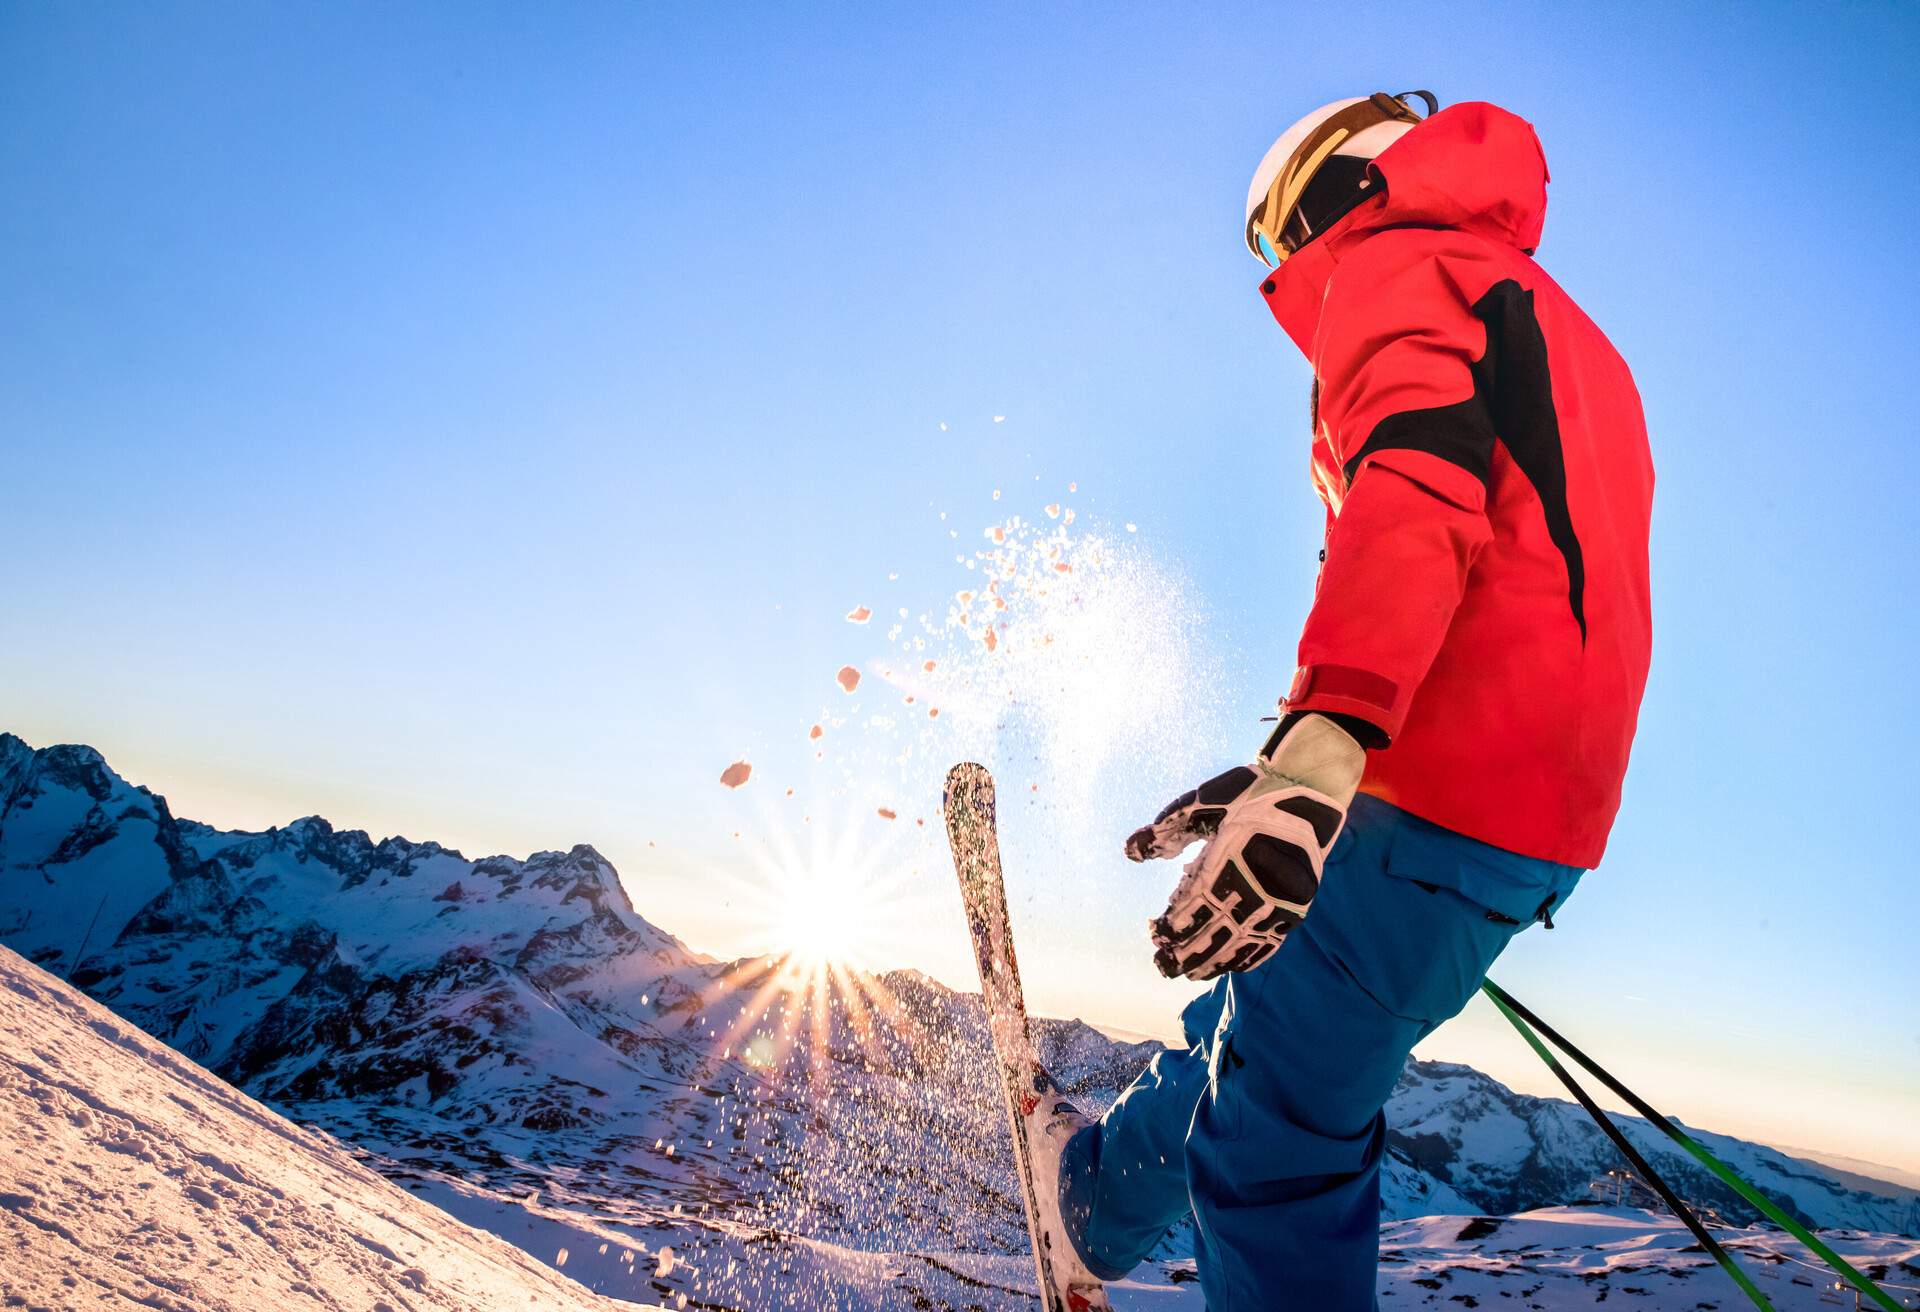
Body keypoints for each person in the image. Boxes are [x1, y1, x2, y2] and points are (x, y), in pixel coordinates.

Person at [1023, 92, 1655, 1310]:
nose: (1287, 276)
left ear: (1324, 199)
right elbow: (1538, 574)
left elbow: (1419, 490)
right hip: (1532, 812)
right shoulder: (1568, 330)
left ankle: (1102, 1208)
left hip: (1441, 797)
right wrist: (1303, 757)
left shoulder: (1395, 266)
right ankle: (1096, 1206)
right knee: (1259, 1012)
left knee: (1281, 1140)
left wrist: (1323, 755)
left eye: (1277, 241)